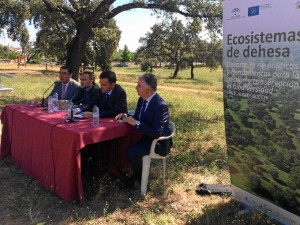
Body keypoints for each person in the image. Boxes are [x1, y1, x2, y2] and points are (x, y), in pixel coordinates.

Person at [115, 73, 172, 185]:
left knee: (131, 152)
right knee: (120, 144)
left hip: (158, 143)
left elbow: (156, 133)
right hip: (144, 137)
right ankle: (127, 173)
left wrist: (136, 123)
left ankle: (141, 180)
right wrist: (126, 116)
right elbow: (138, 117)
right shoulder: (142, 99)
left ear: (148, 89)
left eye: (139, 86)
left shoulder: (160, 106)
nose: (136, 87)